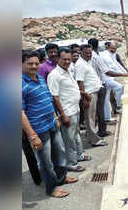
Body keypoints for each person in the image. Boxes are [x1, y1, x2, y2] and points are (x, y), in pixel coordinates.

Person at [22, 50, 77, 198]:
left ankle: (61, 177)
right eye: (30, 64)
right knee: (45, 161)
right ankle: (51, 188)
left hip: (52, 124)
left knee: (60, 153)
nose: (34, 66)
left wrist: (55, 117)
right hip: (38, 129)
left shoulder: (39, 78)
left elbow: (48, 99)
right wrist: (32, 136)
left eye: (36, 63)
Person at [47, 49, 91, 172]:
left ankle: (79, 155)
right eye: (64, 59)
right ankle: (71, 163)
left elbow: (72, 89)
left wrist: (83, 93)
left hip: (75, 109)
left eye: (69, 59)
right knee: (69, 139)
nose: (67, 61)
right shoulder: (54, 75)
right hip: (67, 112)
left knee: (76, 135)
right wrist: (62, 114)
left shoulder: (68, 71)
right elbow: (54, 97)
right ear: (58, 59)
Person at [75, 44, 108, 145]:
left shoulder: (87, 62)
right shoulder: (80, 64)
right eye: (86, 53)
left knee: (92, 117)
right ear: (80, 52)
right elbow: (79, 82)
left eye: (90, 53)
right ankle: (95, 140)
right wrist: (84, 98)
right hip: (89, 94)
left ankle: (91, 137)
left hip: (94, 92)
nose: (89, 55)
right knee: (90, 118)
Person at [100, 41, 128, 121]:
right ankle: (118, 106)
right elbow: (113, 66)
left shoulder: (111, 54)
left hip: (109, 78)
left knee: (106, 99)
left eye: (115, 48)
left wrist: (126, 73)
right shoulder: (105, 55)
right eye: (112, 48)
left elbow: (117, 64)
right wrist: (124, 74)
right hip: (105, 78)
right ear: (107, 47)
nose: (114, 50)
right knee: (119, 87)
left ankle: (107, 117)